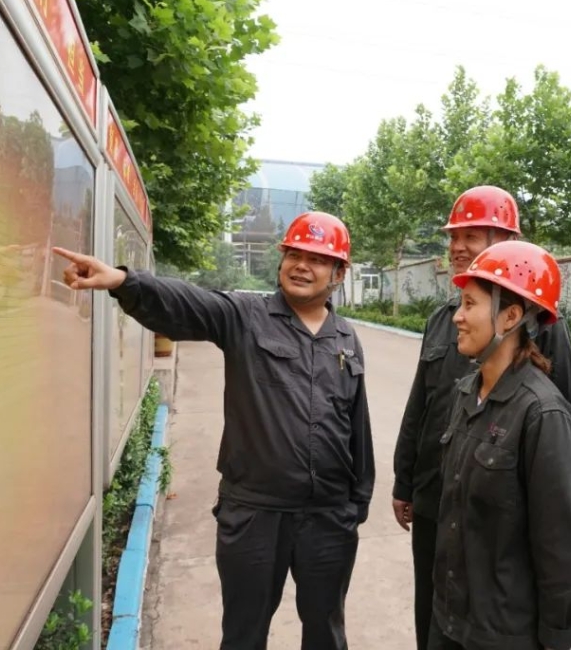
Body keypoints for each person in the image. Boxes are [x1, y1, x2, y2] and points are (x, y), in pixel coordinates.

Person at [54, 211, 374, 650]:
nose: (301, 266)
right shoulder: (245, 315)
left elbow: (357, 425)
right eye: (294, 255)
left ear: (338, 273)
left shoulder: (346, 338)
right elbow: (190, 303)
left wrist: (356, 503)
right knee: (243, 634)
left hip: (328, 517)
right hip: (256, 513)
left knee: (327, 632)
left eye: (317, 259)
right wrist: (124, 282)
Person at [392, 185, 571, 650]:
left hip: (500, 515)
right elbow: (420, 404)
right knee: (436, 612)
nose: (457, 247)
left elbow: (556, 450)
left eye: (471, 236)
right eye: (453, 237)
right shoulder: (444, 320)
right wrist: (404, 479)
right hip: (442, 496)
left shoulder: (541, 334)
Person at [428, 240, 571, 650]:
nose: (458, 317)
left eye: (470, 304)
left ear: (511, 316)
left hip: (503, 634)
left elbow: (559, 544)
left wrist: (558, 636)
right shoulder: (466, 392)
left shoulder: (542, 414)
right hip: (450, 619)